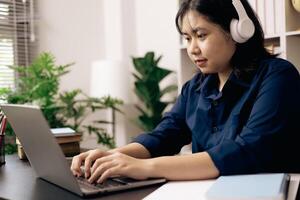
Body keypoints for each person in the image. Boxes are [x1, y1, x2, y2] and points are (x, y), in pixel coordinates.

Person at [71, 0, 300, 184]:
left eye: (201, 35)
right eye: (187, 38)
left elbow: (247, 151)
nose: (193, 49)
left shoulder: (278, 75)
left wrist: (144, 167)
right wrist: (112, 156)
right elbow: (163, 136)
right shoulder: (196, 87)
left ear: (238, 30)